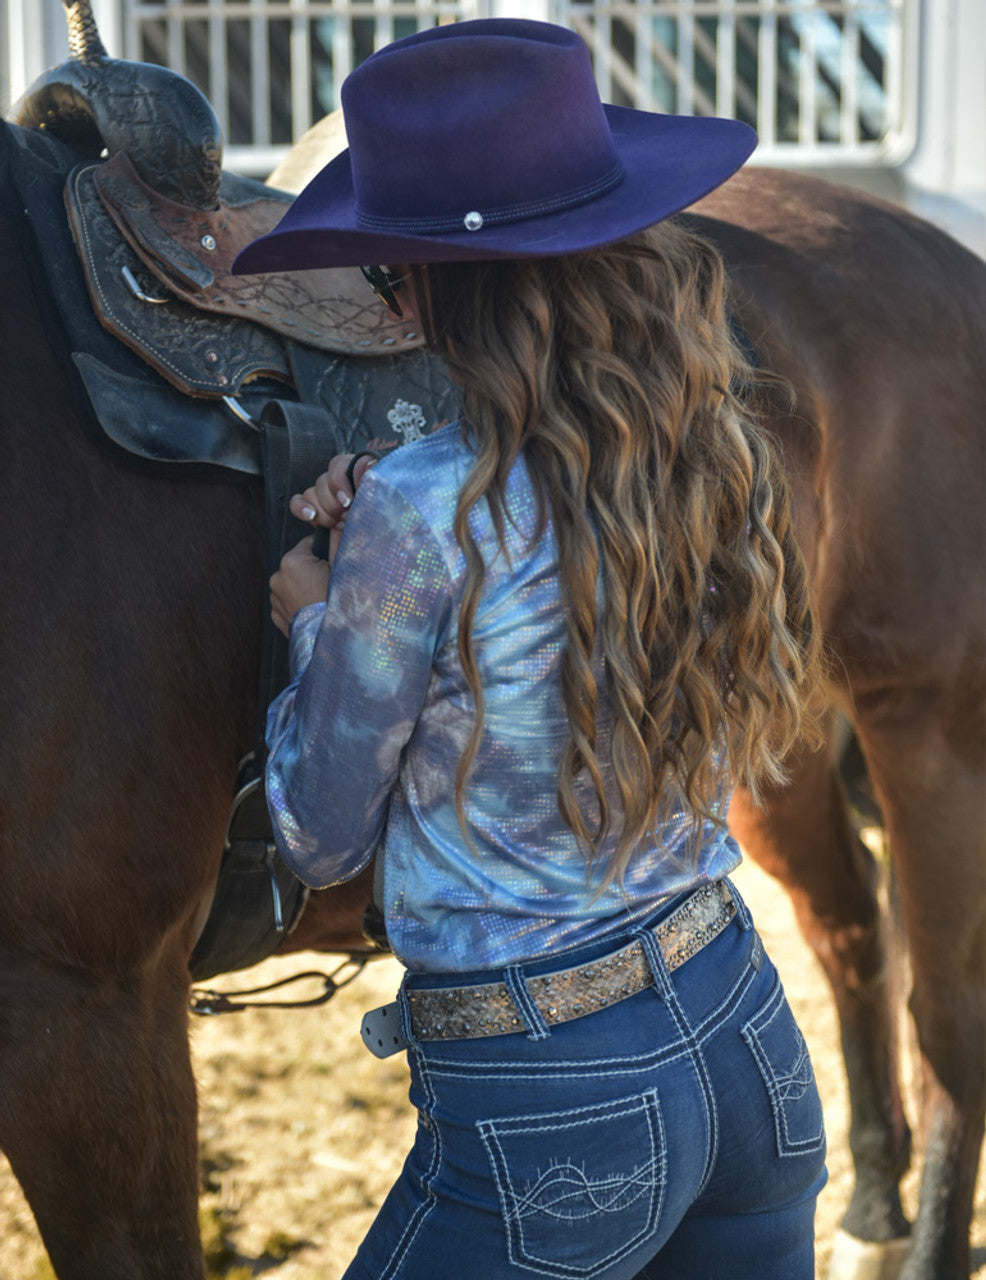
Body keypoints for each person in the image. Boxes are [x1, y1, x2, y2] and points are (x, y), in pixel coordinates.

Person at [233, 18, 827, 1279]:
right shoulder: (700, 443)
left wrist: (312, 615)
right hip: (742, 1026)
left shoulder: (419, 510)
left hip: (546, 1093)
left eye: (391, 278)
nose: (392, 304)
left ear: (448, 283)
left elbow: (318, 831)